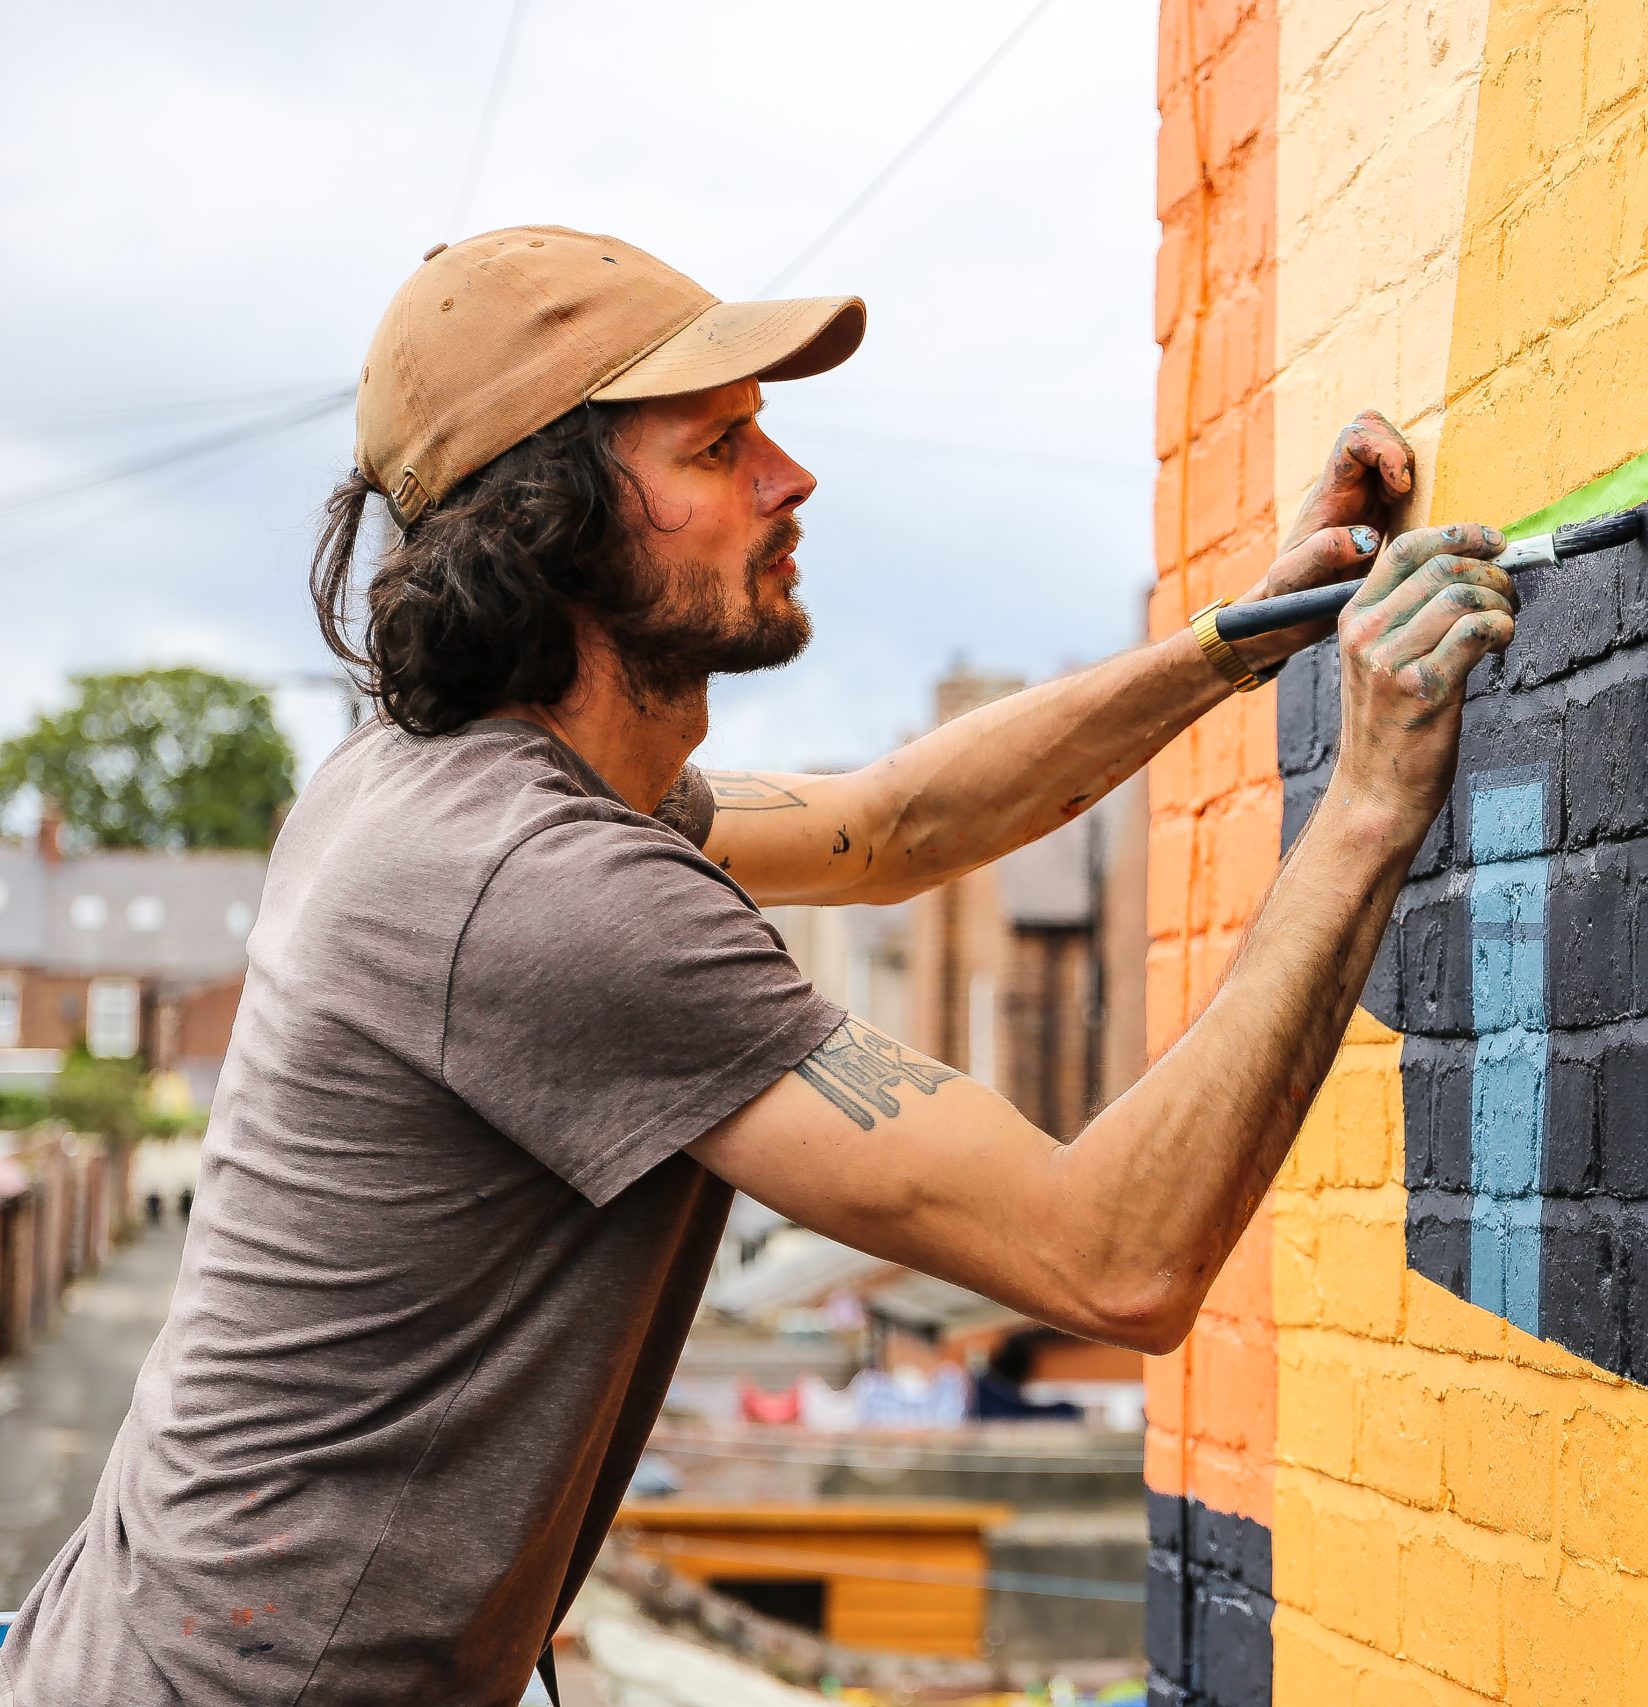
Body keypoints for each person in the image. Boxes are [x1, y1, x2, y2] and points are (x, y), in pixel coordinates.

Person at [0, 226, 1517, 1707]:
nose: (791, 480)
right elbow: (1112, 1255)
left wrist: (1242, 636)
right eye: (719, 447)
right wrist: (1370, 801)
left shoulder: (441, 781)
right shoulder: (541, 895)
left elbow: (894, 820)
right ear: (549, 526)